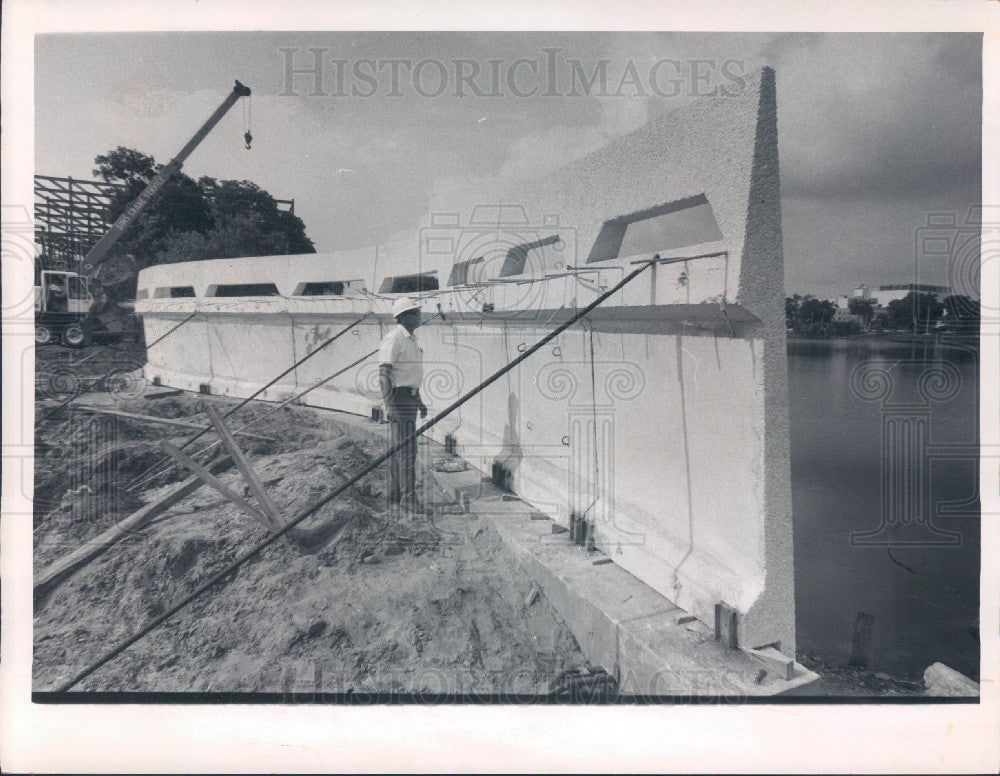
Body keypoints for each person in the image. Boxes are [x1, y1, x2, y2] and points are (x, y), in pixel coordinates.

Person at [379, 297, 429, 513]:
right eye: (416, 313)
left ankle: (395, 494)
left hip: (409, 399)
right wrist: (389, 406)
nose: (419, 316)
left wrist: (419, 402)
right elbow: (384, 375)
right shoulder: (394, 339)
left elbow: (409, 375)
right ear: (406, 316)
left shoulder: (410, 339)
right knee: (407, 450)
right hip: (399, 400)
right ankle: (408, 498)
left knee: (402, 448)